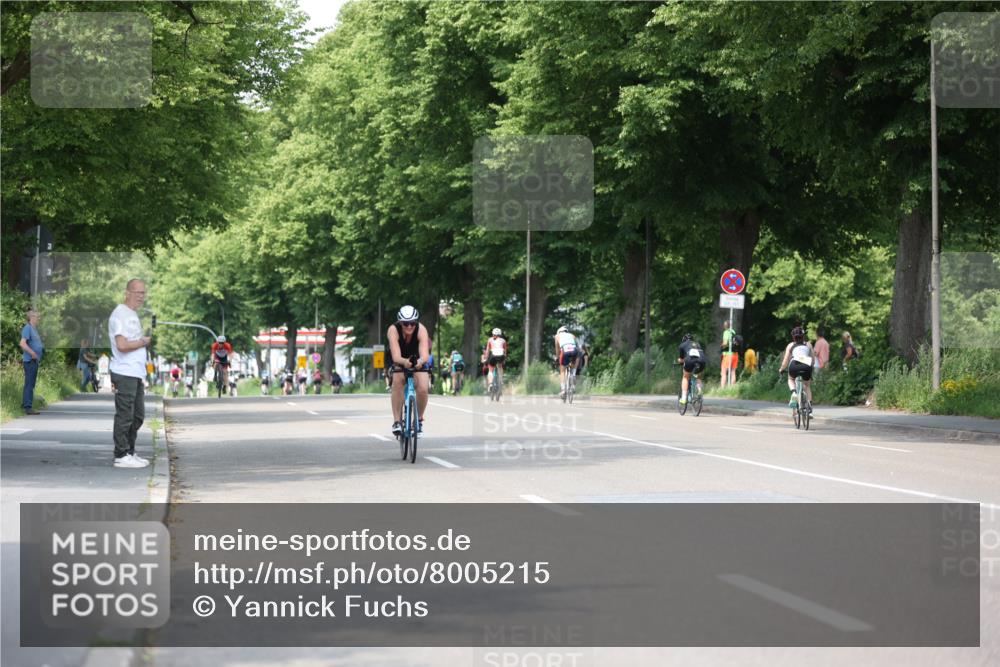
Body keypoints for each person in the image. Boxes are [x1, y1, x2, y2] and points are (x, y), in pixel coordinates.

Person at [108, 279, 152, 468]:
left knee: (138, 416)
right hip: (123, 371)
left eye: (143, 292)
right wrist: (143, 342)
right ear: (127, 292)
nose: (141, 296)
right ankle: (121, 454)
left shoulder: (131, 314)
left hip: (135, 373)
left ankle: (130, 451)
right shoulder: (120, 315)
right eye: (137, 292)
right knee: (125, 415)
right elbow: (122, 345)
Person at [387, 305, 430, 436]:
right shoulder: (393, 330)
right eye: (406, 323)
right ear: (400, 322)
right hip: (400, 359)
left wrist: (420, 362)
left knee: (423, 388)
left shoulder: (421, 329)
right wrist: (405, 362)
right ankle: (397, 422)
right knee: (397, 383)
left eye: (412, 323)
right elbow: (395, 356)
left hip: (417, 359)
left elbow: (425, 355)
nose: (409, 326)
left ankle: (418, 420)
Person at [779, 326, 815, 410]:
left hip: (794, 365)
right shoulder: (808, 344)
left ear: (793, 337)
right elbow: (813, 361)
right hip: (806, 365)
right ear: (803, 336)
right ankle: (809, 409)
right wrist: (810, 369)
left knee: (790, 379)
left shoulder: (791, 345)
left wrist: (781, 369)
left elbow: (785, 361)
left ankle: (794, 392)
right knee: (807, 385)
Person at [19, 309, 44, 415]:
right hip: (29, 360)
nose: (39, 318)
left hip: (34, 361)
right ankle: (28, 407)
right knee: (29, 384)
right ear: (31, 317)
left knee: (31, 384)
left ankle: (25, 403)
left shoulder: (34, 329)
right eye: (37, 316)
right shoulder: (27, 328)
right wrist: (32, 353)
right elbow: (22, 343)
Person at [676, 333, 705, 405]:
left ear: (684, 340)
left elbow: (681, 359)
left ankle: (683, 398)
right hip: (702, 360)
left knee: (685, 377)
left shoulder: (682, 345)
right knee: (698, 376)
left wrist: (679, 361)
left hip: (690, 360)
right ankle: (699, 390)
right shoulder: (697, 344)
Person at [553, 325, 579, 399]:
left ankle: (563, 390)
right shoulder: (572, 335)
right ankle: (573, 375)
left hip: (565, 351)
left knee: (562, 370)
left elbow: (557, 350)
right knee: (574, 363)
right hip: (574, 351)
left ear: (559, 332)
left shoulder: (557, 336)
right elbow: (577, 347)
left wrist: (557, 358)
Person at [482, 328, 507, 393]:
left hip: (493, 355)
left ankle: (490, 384)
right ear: (500, 334)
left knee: (490, 370)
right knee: (500, 366)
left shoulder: (490, 340)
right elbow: (505, 352)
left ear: (493, 334)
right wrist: (504, 360)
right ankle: (501, 381)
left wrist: (486, 358)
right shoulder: (503, 341)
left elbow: (487, 351)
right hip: (501, 355)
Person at [720, 320, 739, 388]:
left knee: (723, 372)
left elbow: (725, 343)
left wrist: (721, 346)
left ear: (725, 326)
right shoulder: (733, 331)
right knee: (733, 372)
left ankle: (722, 389)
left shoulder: (726, 332)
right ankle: (732, 388)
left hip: (728, 355)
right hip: (735, 354)